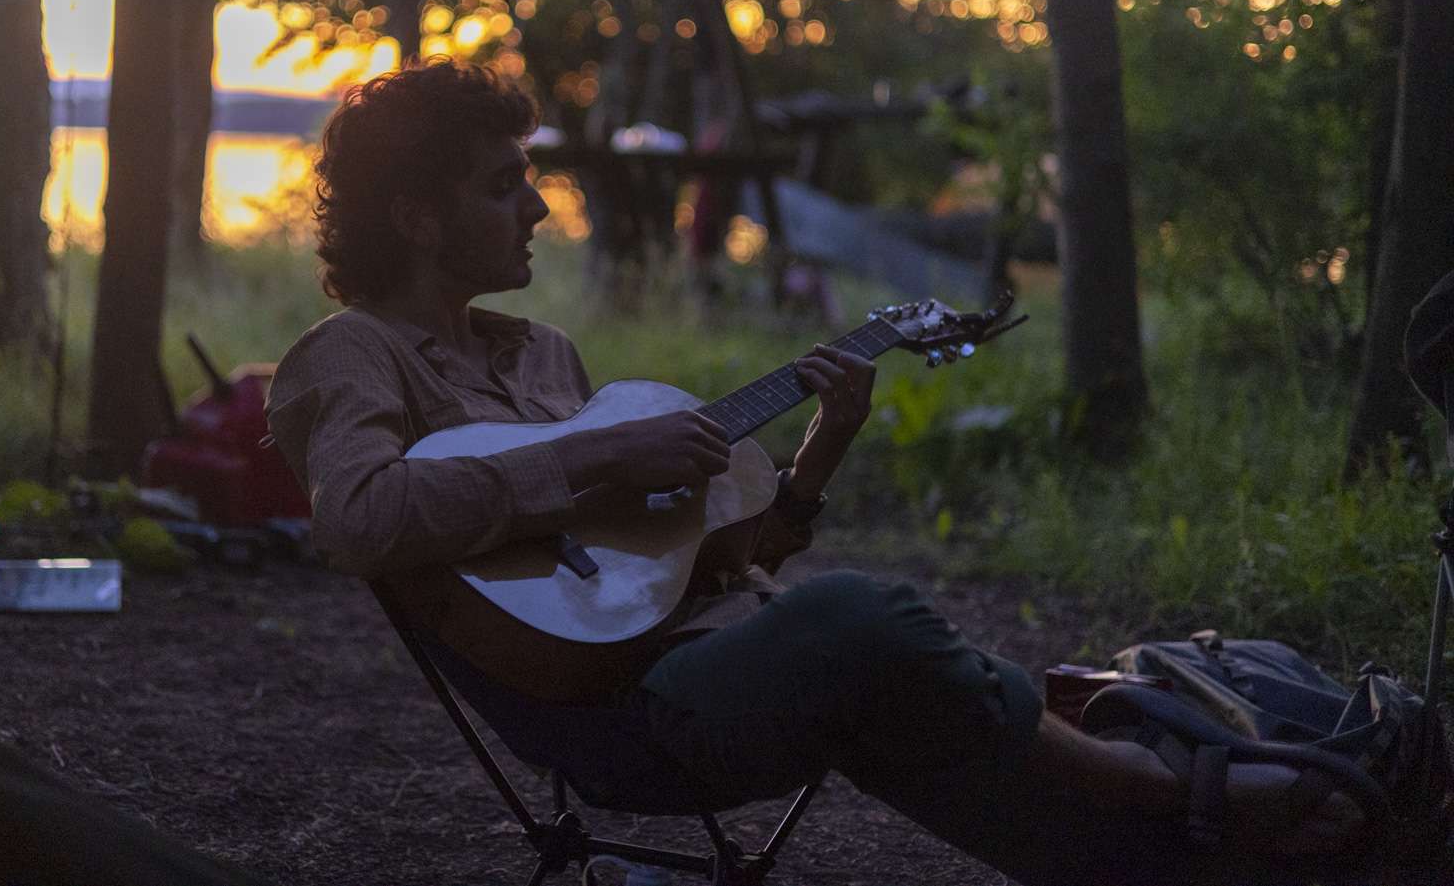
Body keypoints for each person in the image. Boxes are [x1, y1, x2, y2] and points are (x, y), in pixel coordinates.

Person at [264, 62, 1367, 885]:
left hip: (715, 652)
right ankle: (1182, 785)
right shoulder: (350, 354)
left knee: (885, 684)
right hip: (619, 718)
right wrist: (602, 452)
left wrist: (813, 459)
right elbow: (360, 518)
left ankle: (1182, 858)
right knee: (858, 621)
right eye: (506, 184)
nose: (542, 206)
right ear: (413, 213)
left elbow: (679, 565)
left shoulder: (539, 354)